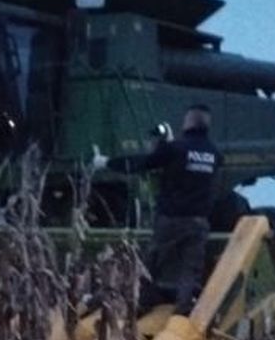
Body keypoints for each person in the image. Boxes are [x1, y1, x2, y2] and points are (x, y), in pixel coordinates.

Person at [92, 104, 222, 316]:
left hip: (170, 218)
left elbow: (143, 163)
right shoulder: (215, 154)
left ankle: (143, 305)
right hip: (198, 221)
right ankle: (183, 312)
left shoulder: (175, 149)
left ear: (188, 122)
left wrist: (107, 162)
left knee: (152, 264)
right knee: (190, 269)